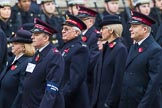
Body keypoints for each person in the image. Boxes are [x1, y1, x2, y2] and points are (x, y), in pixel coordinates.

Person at [119, 11, 162, 108]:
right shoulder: (134, 46)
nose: (130, 29)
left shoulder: (155, 50)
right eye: (130, 26)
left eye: (134, 26)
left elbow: (154, 85)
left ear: (145, 29)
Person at [22, 18, 65, 108]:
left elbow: (51, 89)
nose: (32, 37)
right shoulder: (38, 53)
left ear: (46, 38)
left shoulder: (54, 55)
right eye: (33, 34)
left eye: (36, 34)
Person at [91, 15, 128, 108]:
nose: (100, 31)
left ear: (111, 30)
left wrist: (109, 103)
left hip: (109, 103)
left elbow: (118, 80)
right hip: (98, 101)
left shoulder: (120, 49)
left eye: (103, 28)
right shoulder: (107, 48)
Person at [60, 14, 90, 108]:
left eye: (66, 29)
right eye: (63, 29)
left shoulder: (80, 49)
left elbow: (75, 79)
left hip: (73, 100)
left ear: (77, 33)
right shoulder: (65, 46)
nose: (62, 31)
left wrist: (61, 96)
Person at [0, 29, 35, 108]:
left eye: (15, 43)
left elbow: (22, 92)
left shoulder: (27, 63)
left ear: (23, 46)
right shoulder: (13, 59)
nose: (12, 45)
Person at [77, 5, 100, 102]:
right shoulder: (79, 34)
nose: (79, 22)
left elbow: (92, 59)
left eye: (82, 19)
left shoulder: (95, 36)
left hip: (87, 79)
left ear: (91, 21)